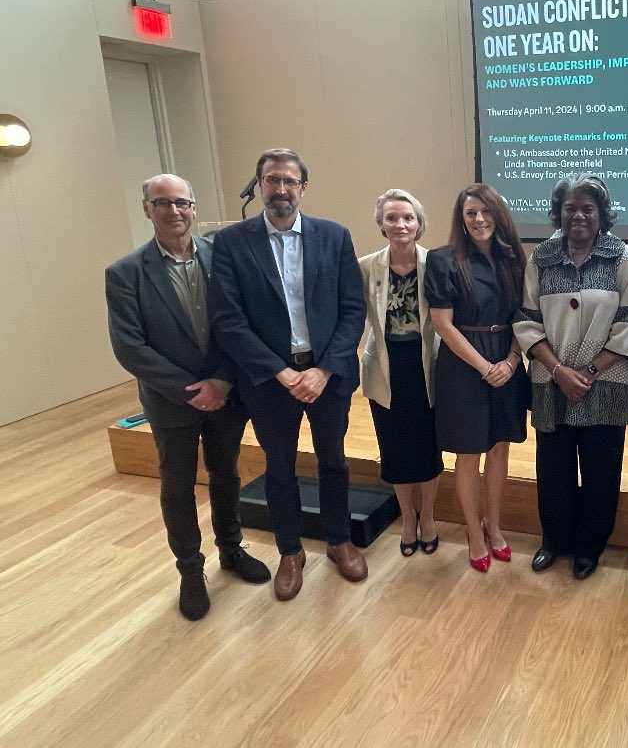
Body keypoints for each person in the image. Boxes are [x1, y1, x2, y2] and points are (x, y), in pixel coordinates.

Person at [106, 174, 270, 620]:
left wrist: (222, 381)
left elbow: (243, 324)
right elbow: (129, 346)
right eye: (163, 203)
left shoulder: (225, 259)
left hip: (227, 393)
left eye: (182, 202)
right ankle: (190, 572)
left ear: (194, 207)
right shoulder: (124, 274)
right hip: (171, 403)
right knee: (177, 486)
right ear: (147, 209)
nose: (174, 211)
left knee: (226, 474)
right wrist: (189, 391)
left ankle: (231, 550)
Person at [209, 148, 367, 601]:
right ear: (259, 186)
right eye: (271, 180)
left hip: (327, 377)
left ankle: (339, 540)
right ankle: (290, 550)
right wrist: (281, 373)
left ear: (303, 188)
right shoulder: (233, 243)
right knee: (278, 467)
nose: (280, 189)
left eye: (289, 181)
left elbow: (351, 311)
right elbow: (229, 320)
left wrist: (323, 369)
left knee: (333, 461)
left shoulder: (334, 237)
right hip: (269, 381)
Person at [514, 173, 628, 580]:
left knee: (601, 472)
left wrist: (585, 372)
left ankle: (589, 548)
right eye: (570, 208)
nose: (579, 216)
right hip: (550, 384)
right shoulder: (541, 258)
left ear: (601, 213)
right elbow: (526, 319)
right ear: (559, 213)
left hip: (604, 384)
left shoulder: (621, 257)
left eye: (588, 208)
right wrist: (558, 371)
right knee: (552, 471)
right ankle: (554, 541)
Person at [423, 184, 529, 572]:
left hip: (508, 359)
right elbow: (442, 324)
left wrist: (513, 361)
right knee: (469, 455)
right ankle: (473, 530)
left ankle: (494, 524)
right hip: (464, 366)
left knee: (500, 449)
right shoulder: (443, 259)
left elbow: (525, 317)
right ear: (461, 219)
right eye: (471, 213)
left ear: (498, 215)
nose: (480, 219)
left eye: (486, 211)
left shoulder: (514, 259)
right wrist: (485, 368)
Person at [358, 189, 442, 558]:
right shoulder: (365, 267)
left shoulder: (436, 264)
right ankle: (408, 518)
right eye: (391, 218)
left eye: (408, 217)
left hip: (428, 368)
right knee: (395, 450)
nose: (400, 224)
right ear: (381, 225)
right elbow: (353, 319)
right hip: (385, 368)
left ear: (419, 224)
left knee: (427, 449)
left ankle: (430, 519)